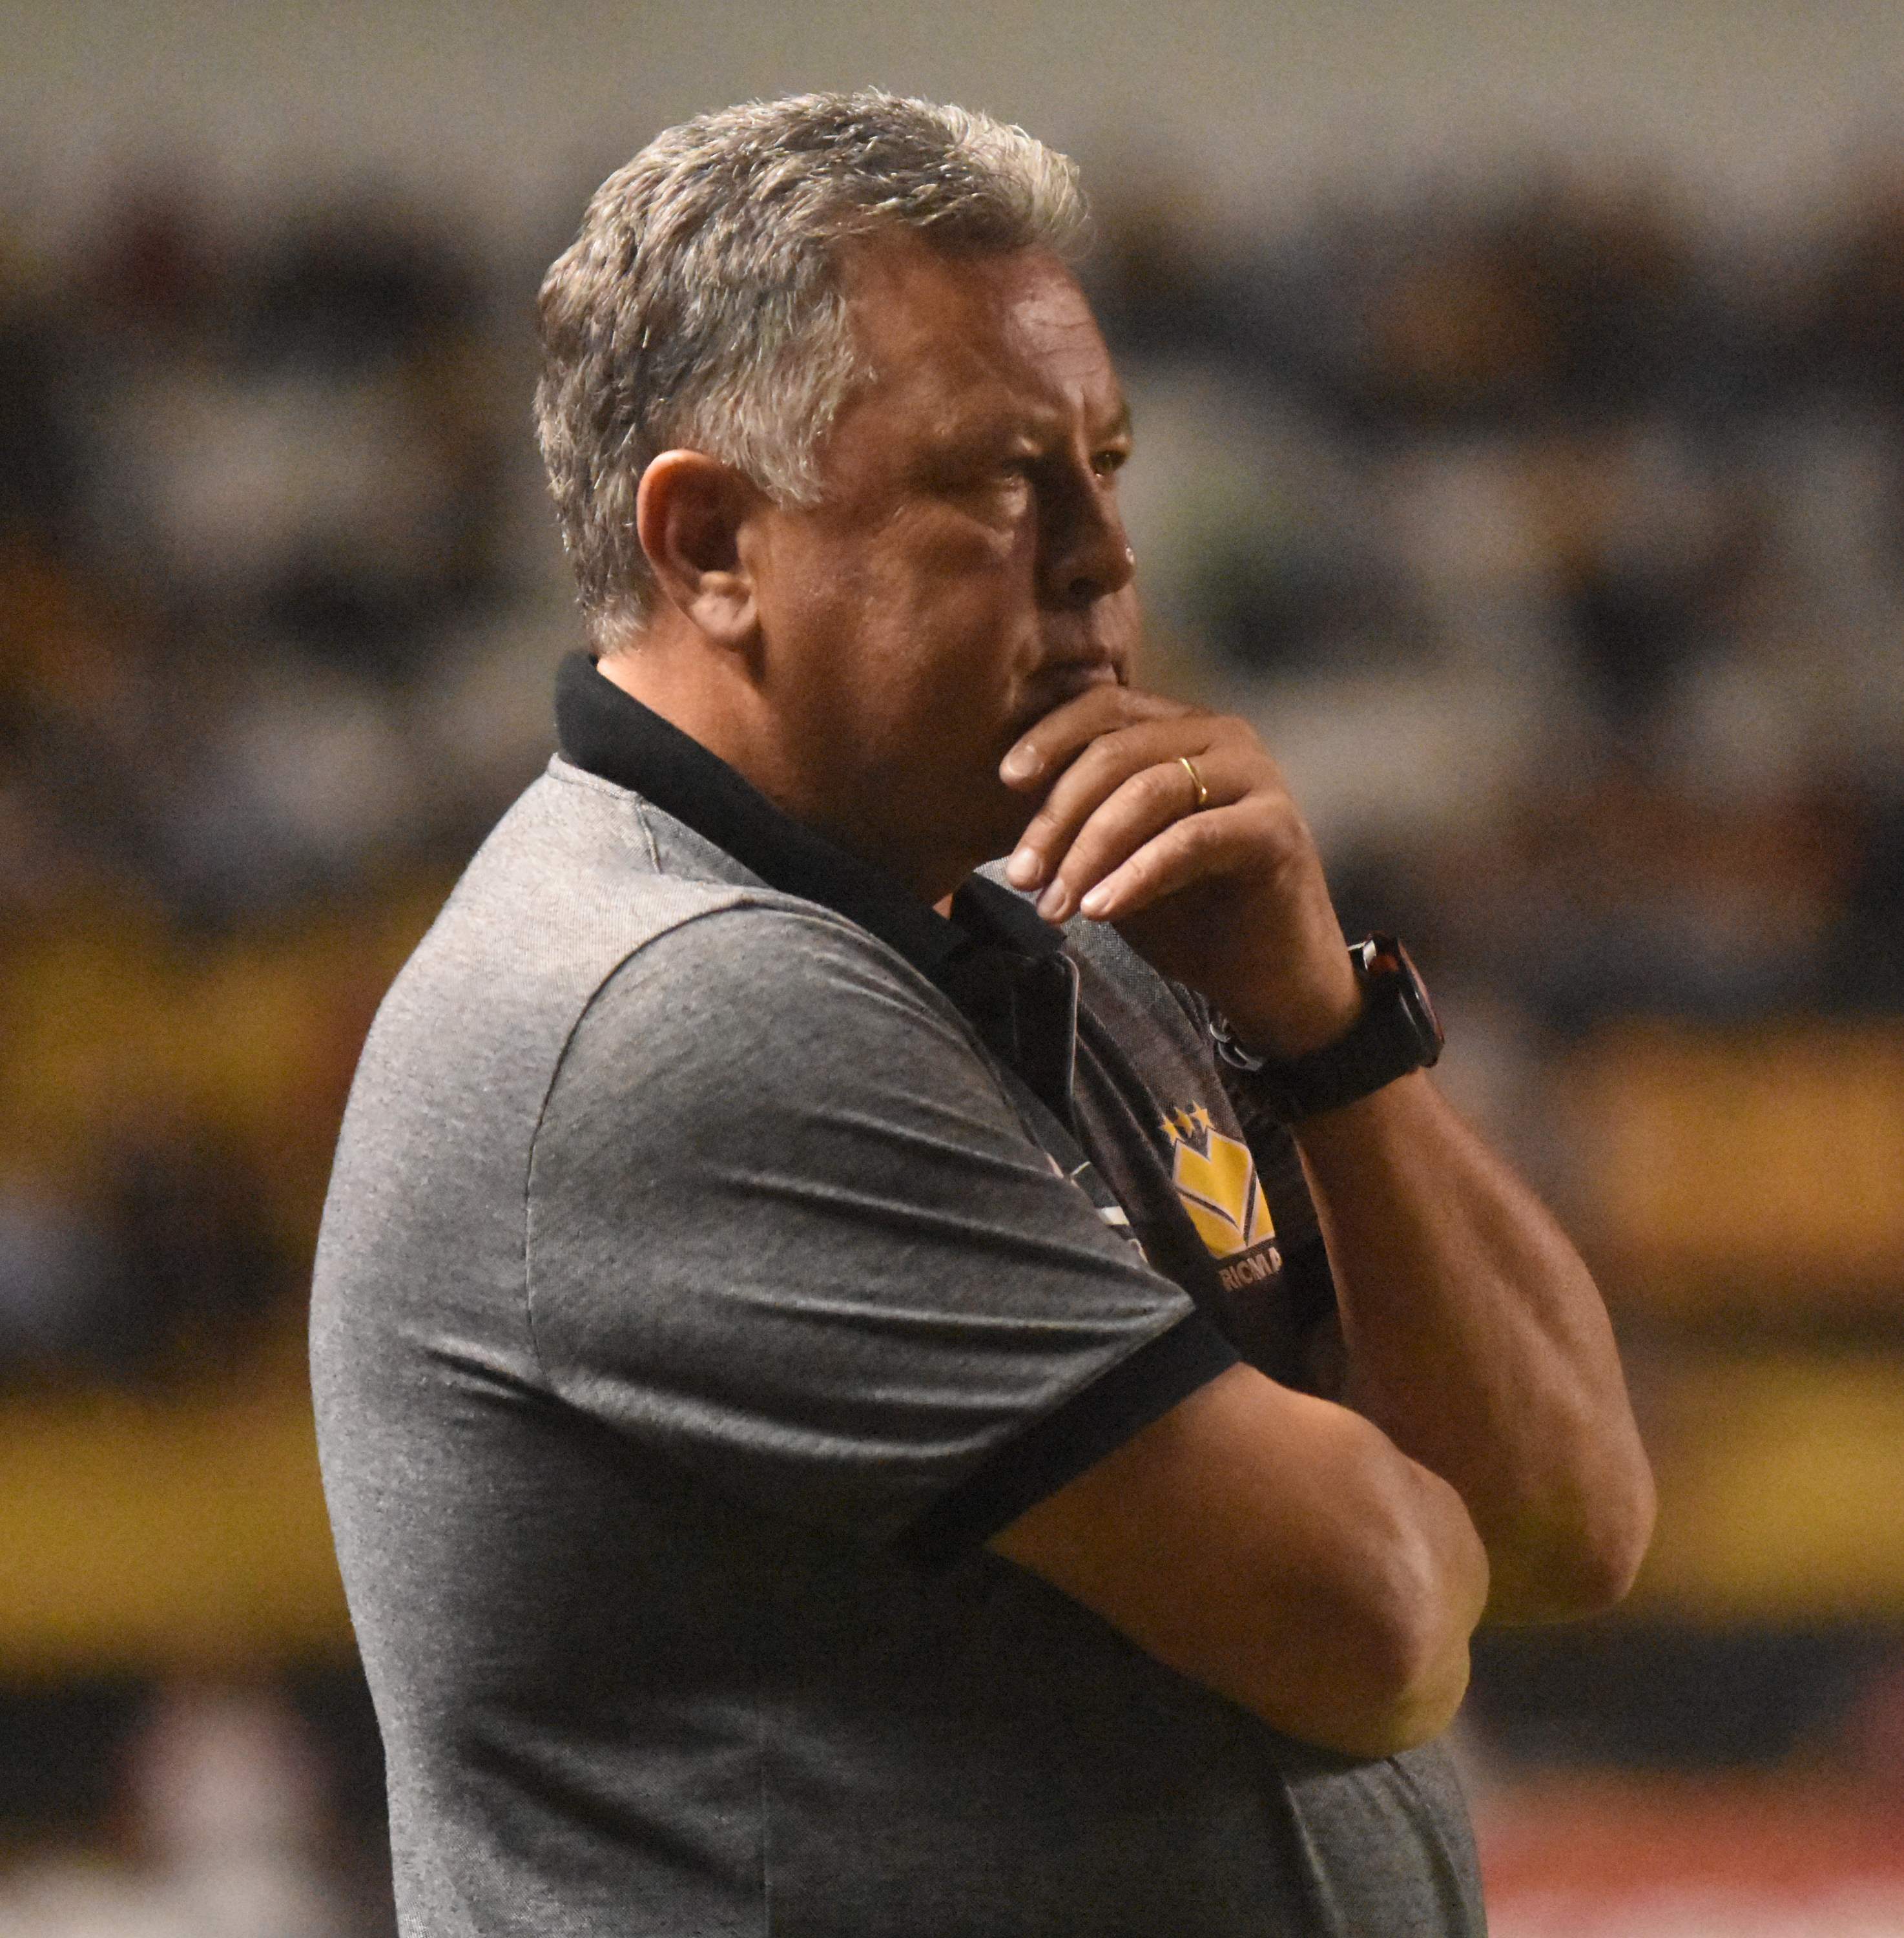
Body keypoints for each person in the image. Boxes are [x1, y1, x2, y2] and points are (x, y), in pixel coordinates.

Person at [309, 91, 1654, 1937]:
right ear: (709, 542)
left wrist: (1325, 1032)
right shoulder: (680, 1008)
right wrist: (1376, 1476)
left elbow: (1568, 1528)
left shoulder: (1086, 928)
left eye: (1106, 465)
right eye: (999, 480)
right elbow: (1380, 1626)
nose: (1106, 553)